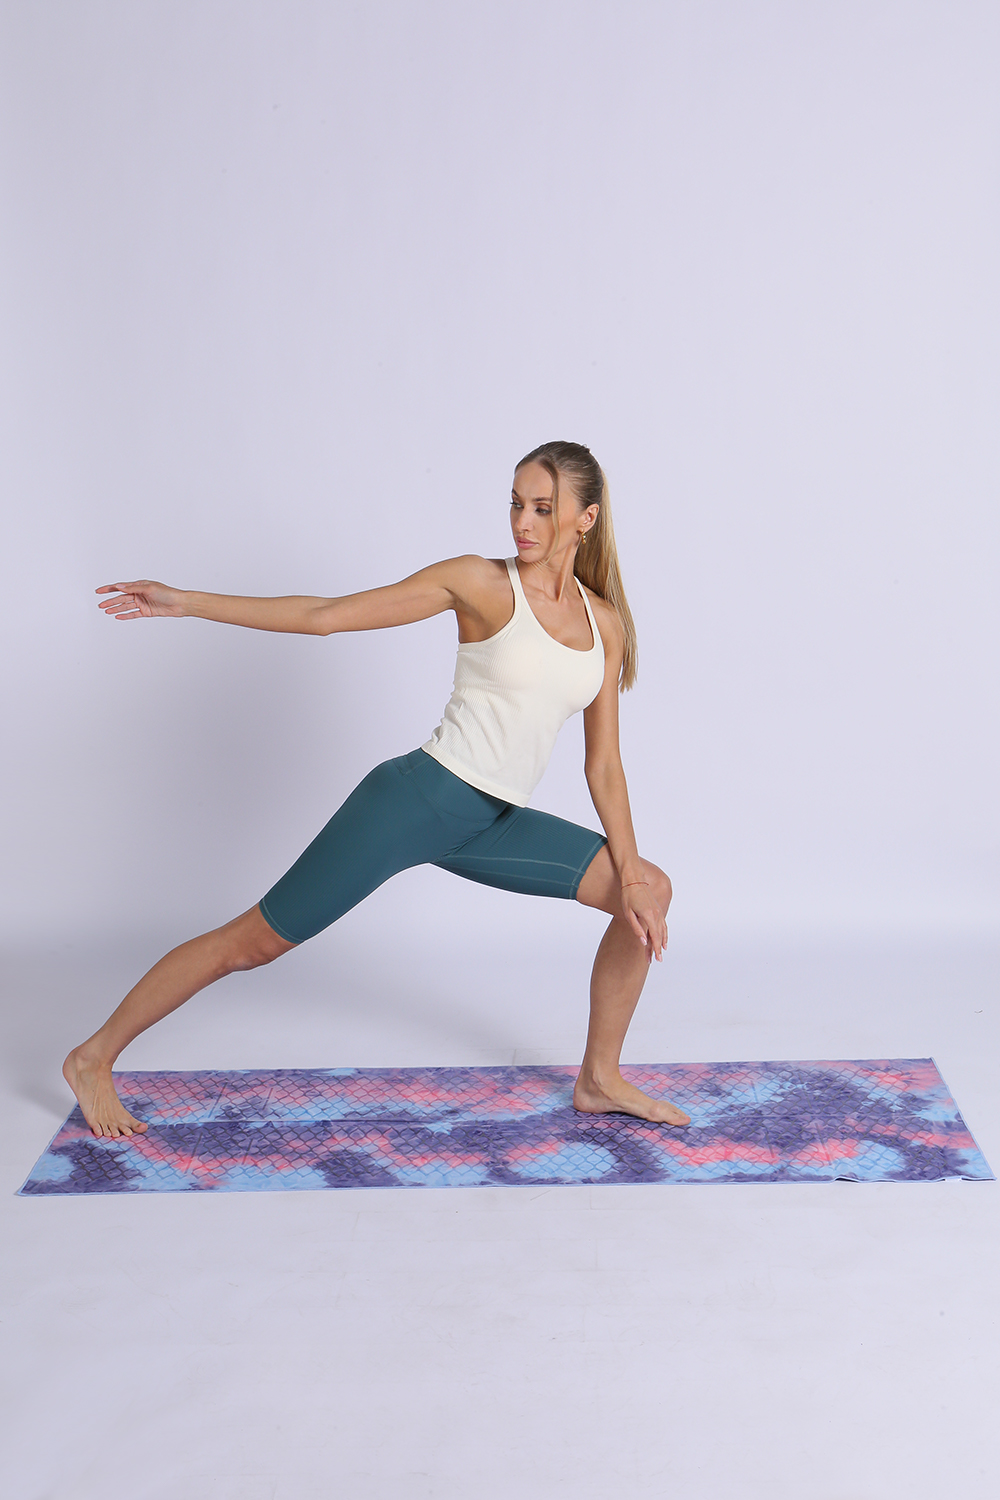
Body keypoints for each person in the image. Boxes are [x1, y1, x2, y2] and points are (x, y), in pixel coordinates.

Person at [63, 441, 690, 1138]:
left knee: (648, 892)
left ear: (586, 519)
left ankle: (599, 1079)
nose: (523, 521)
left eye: (543, 508)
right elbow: (326, 615)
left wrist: (631, 874)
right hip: (415, 803)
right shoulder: (480, 582)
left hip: (494, 823)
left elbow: (604, 766)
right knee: (251, 944)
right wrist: (185, 602)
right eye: (516, 503)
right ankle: (92, 1057)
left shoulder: (605, 624)